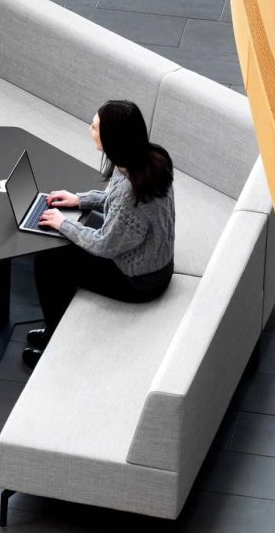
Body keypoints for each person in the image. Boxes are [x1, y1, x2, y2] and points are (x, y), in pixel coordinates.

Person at [23, 99, 175, 368]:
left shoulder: (130, 191)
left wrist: (63, 224)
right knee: (73, 234)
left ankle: (54, 342)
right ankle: (55, 328)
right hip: (156, 261)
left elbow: (105, 245)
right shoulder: (151, 157)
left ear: (113, 137)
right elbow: (114, 199)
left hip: (140, 280)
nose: (89, 129)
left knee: (49, 260)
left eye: (94, 126)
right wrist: (79, 200)